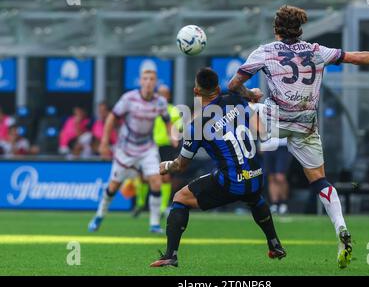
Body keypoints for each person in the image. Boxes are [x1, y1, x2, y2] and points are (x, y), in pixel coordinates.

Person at [227, 4, 369, 268]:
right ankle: (341, 228)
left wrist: (249, 95)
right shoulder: (317, 51)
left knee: (241, 112)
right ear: (300, 29)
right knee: (320, 180)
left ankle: (231, 169)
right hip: (306, 123)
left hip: (275, 119)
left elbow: (233, 85)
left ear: (276, 29)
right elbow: (355, 57)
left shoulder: (265, 51)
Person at [150, 68, 286, 267]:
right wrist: (250, 95)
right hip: (256, 174)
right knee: (254, 197)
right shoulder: (234, 100)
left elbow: (181, 165)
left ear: (196, 92)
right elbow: (252, 115)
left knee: (180, 198)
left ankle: (171, 255)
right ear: (218, 87)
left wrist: (167, 165)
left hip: (232, 181)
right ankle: (275, 244)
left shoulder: (196, 126)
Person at [88, 69, 175, 234]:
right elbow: (112, 117)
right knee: (113, 186)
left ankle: (154, 224)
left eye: (151, 79)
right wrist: (105, 142)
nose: (148, 82)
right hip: (125, 149)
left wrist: (172, 135)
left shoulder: (160, 102)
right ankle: (99, 215)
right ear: (140, 82)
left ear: (155, 82)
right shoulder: (129, 98)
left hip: (147, 148)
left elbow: (167, 120)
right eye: (145, 79)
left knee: (156, 180)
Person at [153, 85, 182, 216]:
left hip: (167, 146)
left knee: (165, 176)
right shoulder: (151, 109)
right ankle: (141, 204)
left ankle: (162, 207)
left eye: (164, 94)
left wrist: (174, 135)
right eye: (160, 94)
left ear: (168, 96)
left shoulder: (173, 110)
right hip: (151, 146)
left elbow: (179, 126)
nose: (162, 97)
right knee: (147, 176)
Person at [260, 137, 292, 215]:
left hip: (282, 146)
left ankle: (283, 204)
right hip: (268, 146)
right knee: (271, 177)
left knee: (280, 177)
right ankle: (274, 204)